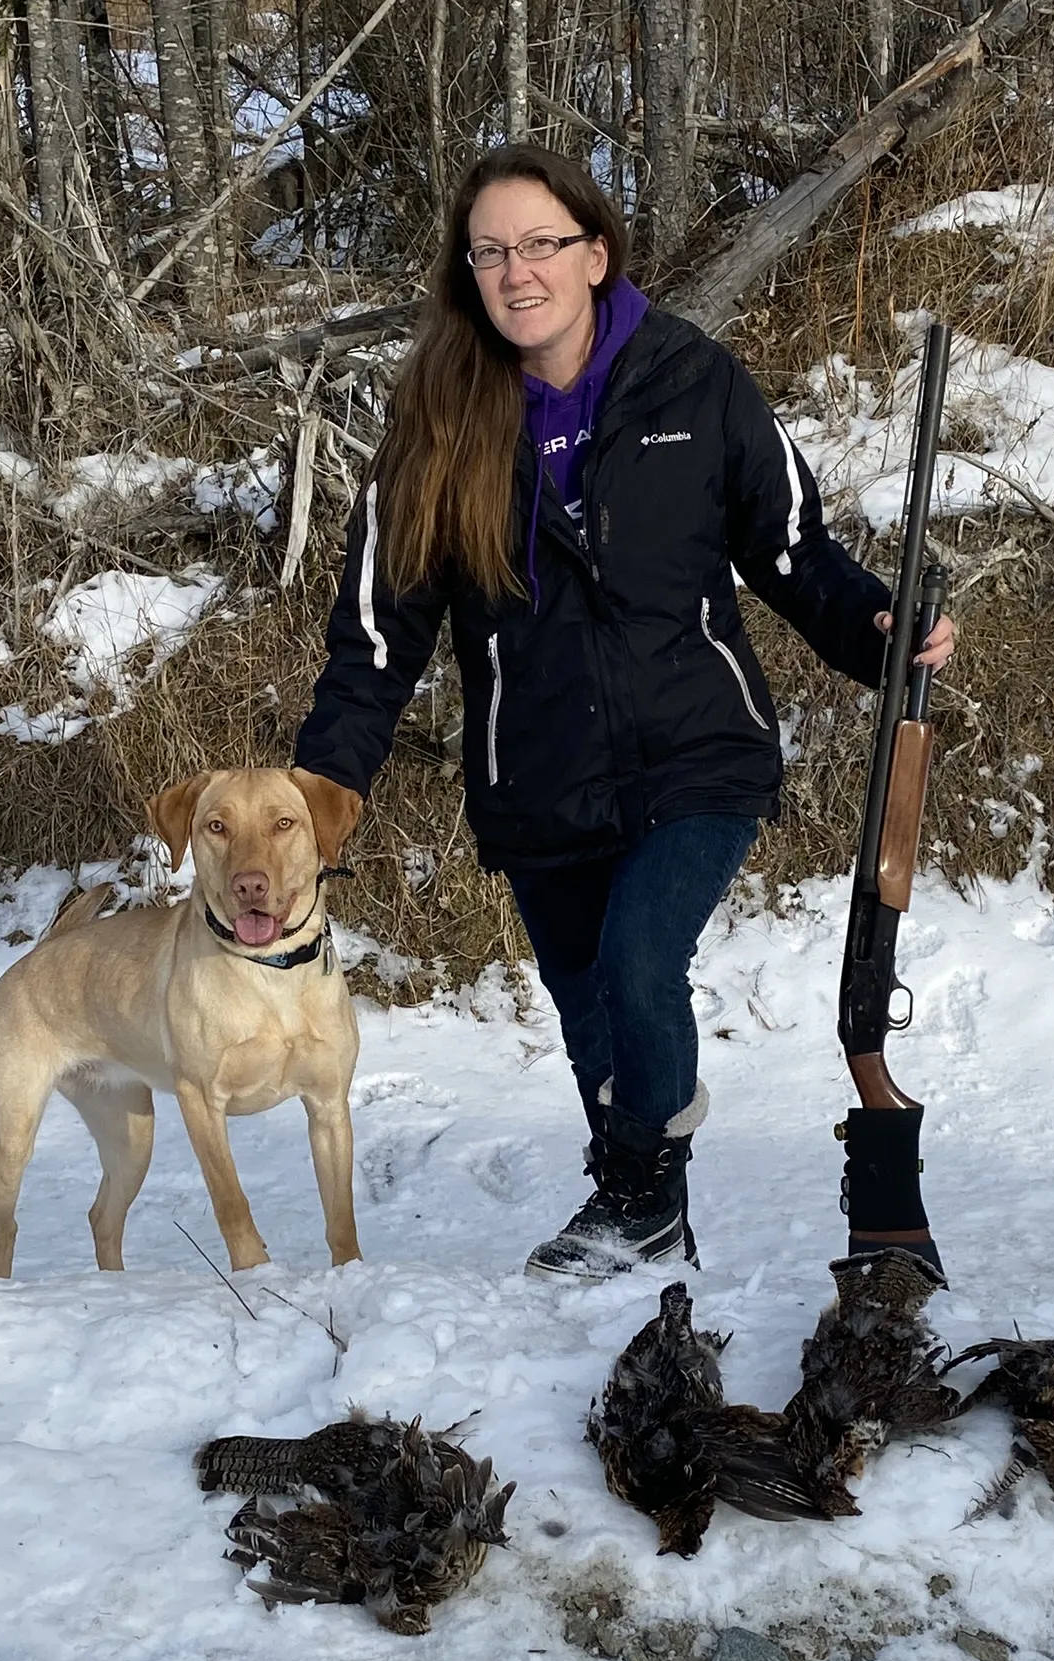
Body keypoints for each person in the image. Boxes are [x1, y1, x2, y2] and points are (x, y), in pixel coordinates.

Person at [295, 143, 955, 1281]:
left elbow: (791, 549)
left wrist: (875, 628)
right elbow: (375, 639)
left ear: (595, 254)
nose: (518, 271)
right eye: (491, 251)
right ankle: (643, 1207)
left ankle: (642, 1189)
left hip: (696, 751)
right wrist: (315, 794)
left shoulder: (693, 382)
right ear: (469, 273)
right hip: (537, 776)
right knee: (590, 1008)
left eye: (541, 243)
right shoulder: (435, 432)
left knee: (640, 965)